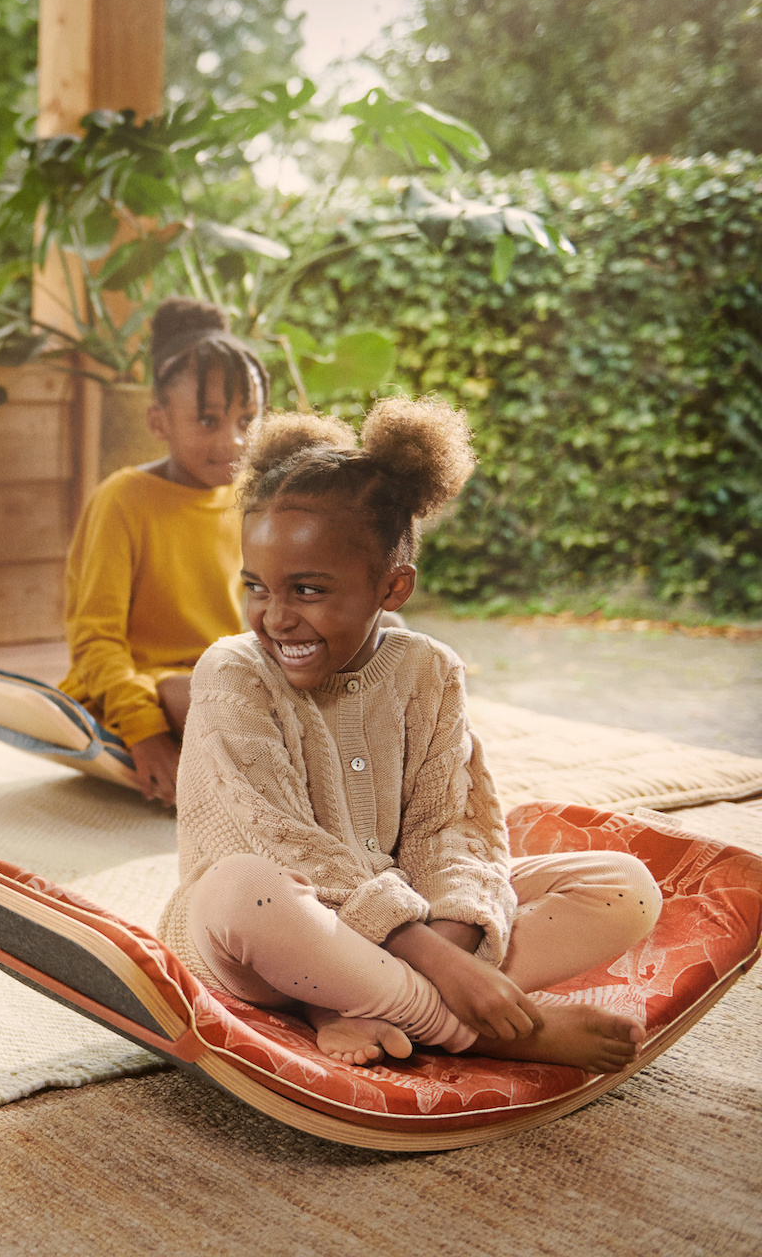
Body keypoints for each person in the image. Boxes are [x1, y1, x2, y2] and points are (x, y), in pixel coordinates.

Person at [162, 397, 660, 1072]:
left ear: (392, 588)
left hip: (409, 916)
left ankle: (360, 1001)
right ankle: (475, 1029)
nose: (275, 617)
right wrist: (445, 972)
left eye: (306, 590)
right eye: (257, 587)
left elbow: (449, 826)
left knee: (623, 886)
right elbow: (276, 840)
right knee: (242, 889)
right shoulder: (232, 672)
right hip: (270, 941)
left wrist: (452, 947)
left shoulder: (430, 671)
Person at [57, 298, 271, 806]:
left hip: (238, 676)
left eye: (247, 419)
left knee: (386, 636)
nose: (233, 441)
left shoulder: (257, 499)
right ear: (159, 422)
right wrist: (144, 731)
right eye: (208, 420)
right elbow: (95, 638)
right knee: (210, 694)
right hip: (149, 690)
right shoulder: (121, 499)